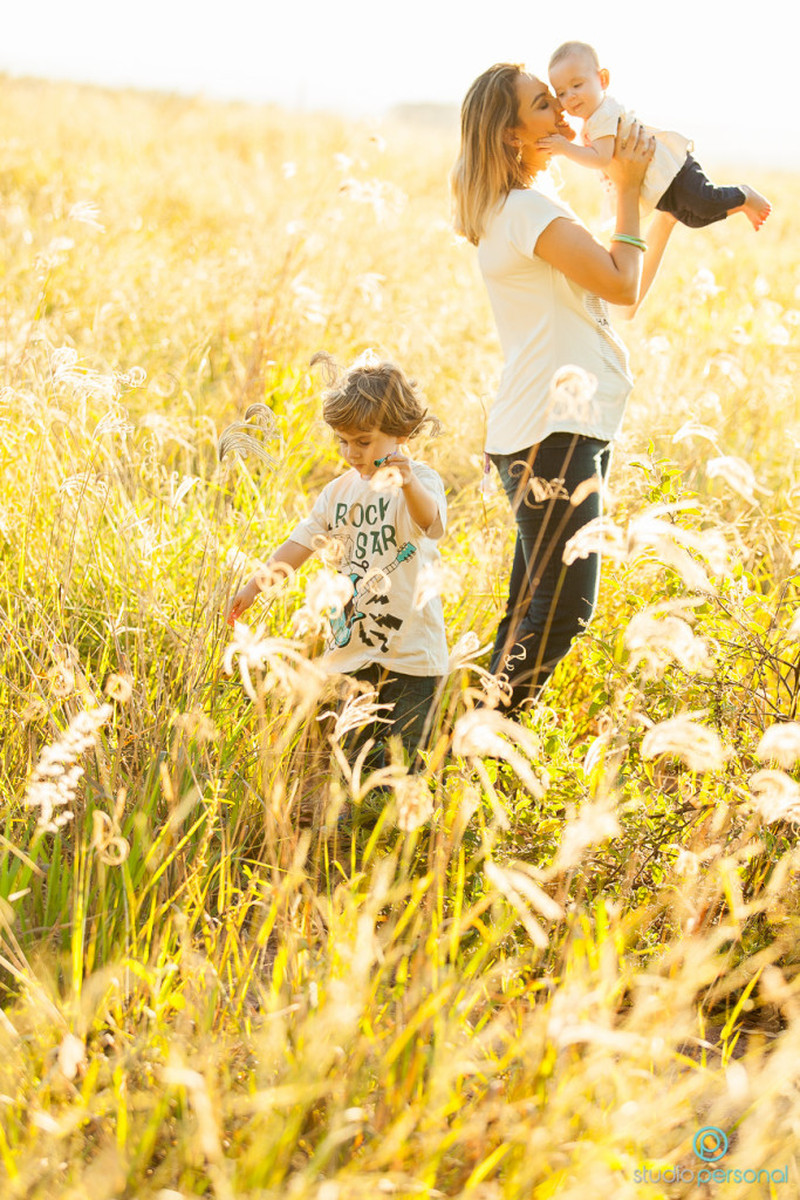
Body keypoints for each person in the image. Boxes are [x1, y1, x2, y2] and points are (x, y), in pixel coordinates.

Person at [451, 62, 677, 715]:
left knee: (532, 609)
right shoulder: (526, 210)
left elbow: (620, 298)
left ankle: (462, 742)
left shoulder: (516, 210)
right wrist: (628, 190)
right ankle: (470, 744)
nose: (564, 115)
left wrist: (653, 207)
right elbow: (621, 282)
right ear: (511, 136)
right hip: (551, 430)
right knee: (564, 610)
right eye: (544, 106)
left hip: (560, 426)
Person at [226, 354, 448, 770]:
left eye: (364, 442)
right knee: (354, 759)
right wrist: (254, 586)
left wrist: (409, 483)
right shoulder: (337, 492)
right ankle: (350, 823)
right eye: (343, 441)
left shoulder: (420, 482)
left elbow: (430, 523)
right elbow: (299, 545)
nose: (351, 453)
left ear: (399, 434)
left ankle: (397, 827)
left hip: (413, 652)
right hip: (352, 653)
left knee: (405, 761)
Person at [544, 41, 770, 230]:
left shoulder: (602, 115)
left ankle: (745, 194)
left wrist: (564, 147)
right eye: (561, 93)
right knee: (693, 219)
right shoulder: (592, 123)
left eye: (577, 85)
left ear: (602, 80)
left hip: (670, 172)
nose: (570, 96)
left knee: (704, 203)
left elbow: (600, 158)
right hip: (657, 183)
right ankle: (741, 205)